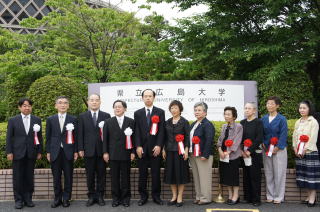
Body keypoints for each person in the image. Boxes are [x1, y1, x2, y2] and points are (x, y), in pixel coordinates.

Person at [6, 98, 43, 209]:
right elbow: (9, 137)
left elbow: (39, 137)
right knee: (18, 177)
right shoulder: (13, 120)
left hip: (31, 152)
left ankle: (28, 199)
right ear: (20, 107)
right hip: (17, 153)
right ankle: (18, 200)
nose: (27, 108)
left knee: (29, 177)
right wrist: (9, 152)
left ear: (31, 107)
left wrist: (40, 150)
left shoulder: (37, 120)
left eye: (29, 106)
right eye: (24, 106)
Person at [77, 94, 110, 207]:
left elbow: (108, 136)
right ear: (88, 102)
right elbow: (80, 134)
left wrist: (107, 151)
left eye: (96, 100)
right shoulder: (82, 116)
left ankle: (100, 196)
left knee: (102, 175)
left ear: (100, 102)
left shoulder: (106, 115)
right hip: (88, 150)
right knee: (90, 175)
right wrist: (80, 148)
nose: (94, 102)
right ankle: (91, 196)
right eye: (92, 100)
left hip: (102, 151)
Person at [134, 89, 165, 206]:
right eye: (145, 96)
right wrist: (137, 146)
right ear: (142, 98)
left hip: (155, 149)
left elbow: (161, 131)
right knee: (142, 174)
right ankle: (143, 196)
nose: (148, 98)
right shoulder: (138, 113)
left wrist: (159, 145)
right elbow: (136, 131)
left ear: (154, 97)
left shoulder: (160, 112)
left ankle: (156, 196)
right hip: (142, 149)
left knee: (156, 174)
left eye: (150, 96)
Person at [46, 96, 78, 208]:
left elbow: (76, 137)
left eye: (65, 103)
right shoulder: (50, 119)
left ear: (68, 106)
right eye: (60, 103)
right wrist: (48, 152)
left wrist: (75, 151)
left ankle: (66, 199)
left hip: (68, 151)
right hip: (55, 152)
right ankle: (57, 198)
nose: (63, 105)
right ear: (56, 105)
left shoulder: (73, 119)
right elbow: (48, 137)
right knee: (56, 177)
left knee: (69, 176)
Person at [103, 100, 135, 207]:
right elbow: (105, 139)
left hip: (126, 154)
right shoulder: (108, 122)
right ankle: (115, 198)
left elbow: (134, 139)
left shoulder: (131, 121)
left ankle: (126, 198)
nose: (117, 109)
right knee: (114, 178)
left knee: (126, 177)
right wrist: (105, 152)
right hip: (113, 154)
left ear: (125, 109)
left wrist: (133, 152)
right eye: (115, 107)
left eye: (119, 107)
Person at [292, 100, 320, 207]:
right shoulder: (298, 121)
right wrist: (295, 148)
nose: (302, 110)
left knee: (311, 176)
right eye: (300, 108)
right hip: (299, 152)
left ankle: (312, 198)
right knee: (303, 175)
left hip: (310, 152)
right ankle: (308, 196)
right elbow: (294, 136)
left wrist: (305, 149)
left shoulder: (313, 121)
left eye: (304, 108)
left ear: (309, 109)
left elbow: (313, 138)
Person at [163, 100, 190, 207]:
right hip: (169, 151)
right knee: (171, 174)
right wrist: (164, 149)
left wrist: (187, 151)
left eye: (176, 108)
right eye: (172, 108)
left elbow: (187, 137)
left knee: (181, 174)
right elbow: (164, 137)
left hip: (181, 152)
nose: (173, 110)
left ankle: (180, 197)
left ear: (180, 109)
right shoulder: (167, 122)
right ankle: (174, 196)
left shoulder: (184, 122)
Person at [261, 96, 288, 204]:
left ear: (277, 106)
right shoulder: (263, 118)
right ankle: (270, 195)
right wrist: (262, 142)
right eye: (268, 103)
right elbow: (261, 132)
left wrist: (278, 147)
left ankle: (278, 196)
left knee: (279, 173)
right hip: (266, 149)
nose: (269, 105)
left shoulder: (282, 119)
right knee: (269, 173)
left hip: (279, 150)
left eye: (272, 103)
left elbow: (284, 134)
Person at [189, 102, 215, 205]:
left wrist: (205, 154)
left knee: (204, 178)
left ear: (205, 112)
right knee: (197, 177)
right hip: (193, 155)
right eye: (195, 110)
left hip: (203, 155)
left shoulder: (207, 124)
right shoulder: (194, 124)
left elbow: (209, 140)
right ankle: (199, 196)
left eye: (199, 110)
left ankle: (206, 198)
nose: (197, 112)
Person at [217, 106, 243, 205]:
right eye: (225, 114)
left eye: (228, 114)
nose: (226, 116)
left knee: (233, 177)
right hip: (223, 156)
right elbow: (220, 140)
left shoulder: (239, 127)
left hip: (233, 156)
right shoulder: (224, 126)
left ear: (234, 116)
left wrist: (228, 152)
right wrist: (220, 149)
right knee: (226, 176)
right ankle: (230, 195)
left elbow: (237, 141)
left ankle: (236, 196)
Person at [240, 102, 263, 206]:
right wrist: (242, 151)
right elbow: (239, 138)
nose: (247, 110)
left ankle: (256, 199)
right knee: (246, 175)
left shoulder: (258, 122)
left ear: (254, 110)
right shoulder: (242, 122)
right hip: (244, 154)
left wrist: (250, 150)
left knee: (255, 176)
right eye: (245, 108)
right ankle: (248, 197)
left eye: (249, 108)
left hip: (254, 153)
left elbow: (259, 138)